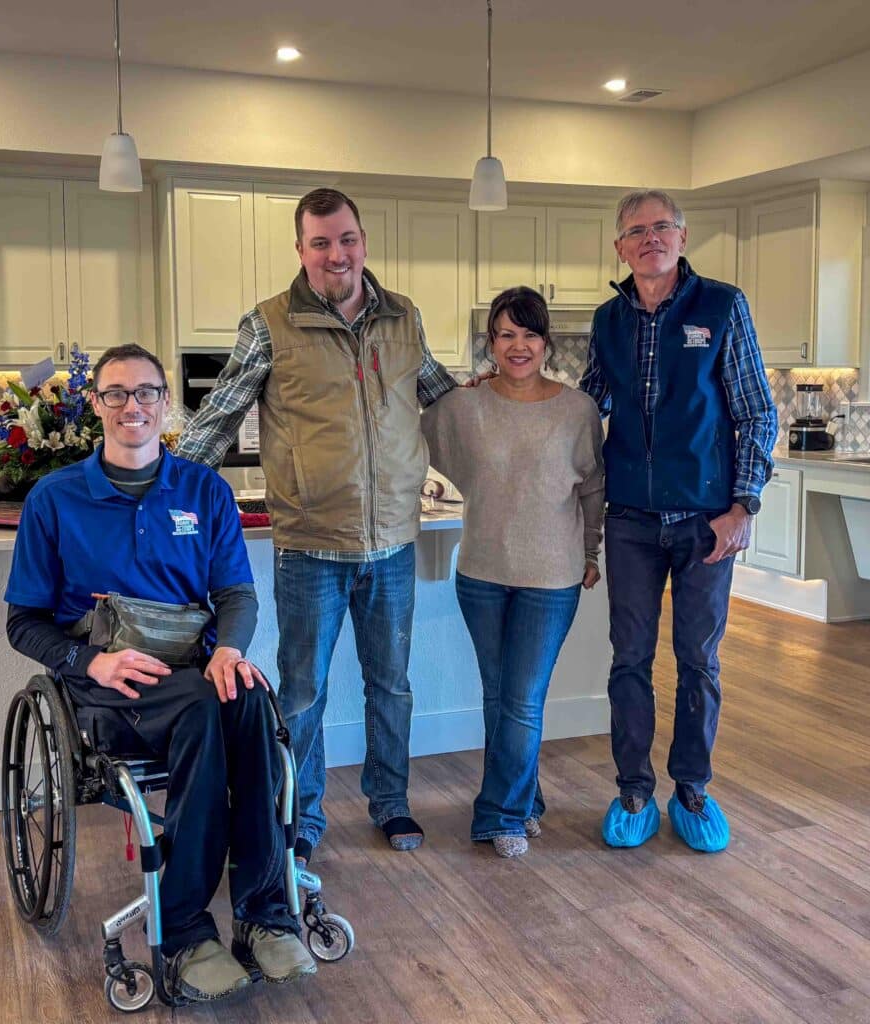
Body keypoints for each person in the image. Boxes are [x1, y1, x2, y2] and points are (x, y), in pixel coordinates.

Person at [4, 343, 316, 1002]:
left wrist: (231, 649)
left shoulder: (203, 490)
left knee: (254, 701)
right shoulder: (55, 500)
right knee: (205, 709)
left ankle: (264, 915)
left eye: (145, 392)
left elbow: (236, 593)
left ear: (165, 402)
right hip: (108, 684)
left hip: (197, 669)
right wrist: (92, 661)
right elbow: (23, 623)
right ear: (95, 405)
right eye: (115, 393)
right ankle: (184, 930)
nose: (132, 406)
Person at [176, 188, 457, 863]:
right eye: (322, 242)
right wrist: (154, 495)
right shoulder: (269, 324)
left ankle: (390, 802)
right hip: (309, 544)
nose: (338, 254)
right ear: (300, 249)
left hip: (392, 540)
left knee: (391, 683)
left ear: (363, 239)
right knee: (302, 690)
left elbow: (446, 402)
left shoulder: (403, 319)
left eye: (348, 239)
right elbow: (215, 419)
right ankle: (300, 817)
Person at [580, 190, 777, 853]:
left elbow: (755, 411)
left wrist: (742, 505)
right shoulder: (608, 320)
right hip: (631, 519)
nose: (650, 238)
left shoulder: (721, 307)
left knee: (699, 661)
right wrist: (515, 397)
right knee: (629, 661)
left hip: (706, 522)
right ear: (620, 248)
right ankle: (634, 791)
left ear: (683, 237)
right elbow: (586, 408)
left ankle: (690, 788)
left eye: (662, 227)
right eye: (636, 230)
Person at [421, 287, 604, 858]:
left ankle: (498, 814)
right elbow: (415, 434)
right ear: (491, 343)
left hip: (552, 577)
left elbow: (593, 489)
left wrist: (592, 552)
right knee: (499, 696)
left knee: (523, 699)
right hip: (481, 572)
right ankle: (526, 800)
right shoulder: (463, 406)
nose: (518, 346)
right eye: (505, 334)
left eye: (529, 334)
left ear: (545, 342)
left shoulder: (578, 410)